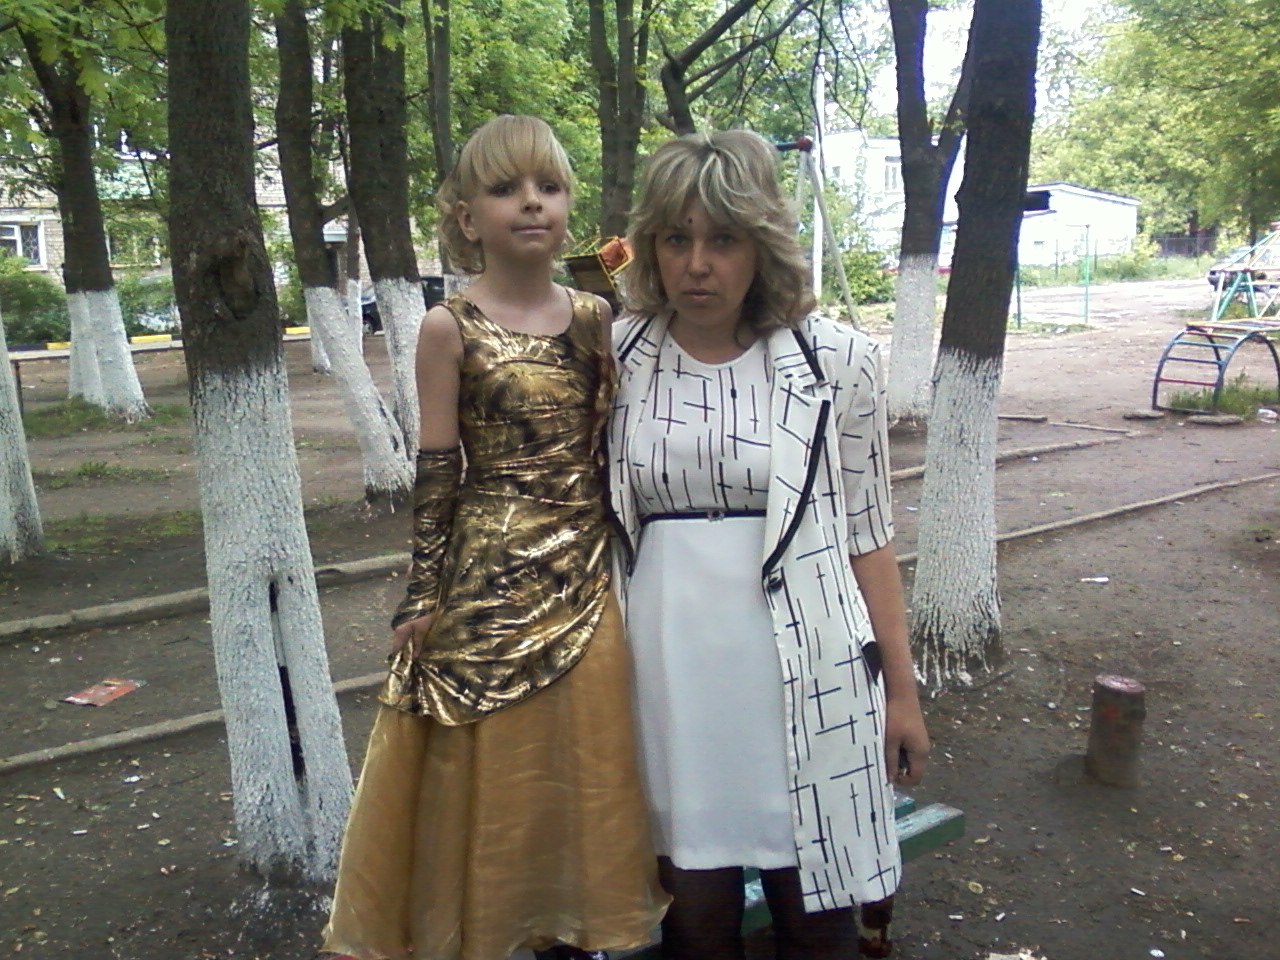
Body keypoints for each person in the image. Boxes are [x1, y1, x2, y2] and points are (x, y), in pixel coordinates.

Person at [324, 114, 668, 960]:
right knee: (497, 767)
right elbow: (438, 467)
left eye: (549, 187)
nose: (532, 203)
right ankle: (492, 928)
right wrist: (422, 592)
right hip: (487, 582)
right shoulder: (449, 327)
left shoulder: (598, 317)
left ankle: (577, 928)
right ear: (467, 217)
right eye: (507, 188)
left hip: (587, 577)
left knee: (587, 759)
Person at [607, 130, 931, 960]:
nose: (697, 265)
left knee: (816, 918)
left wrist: (902, 693)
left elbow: (868, 535)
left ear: (761, 245)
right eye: (675, 239)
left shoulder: (836, 360)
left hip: (808, 667)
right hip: (668, 674)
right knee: (695, 921)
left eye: (723, 239)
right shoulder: (618, 357)